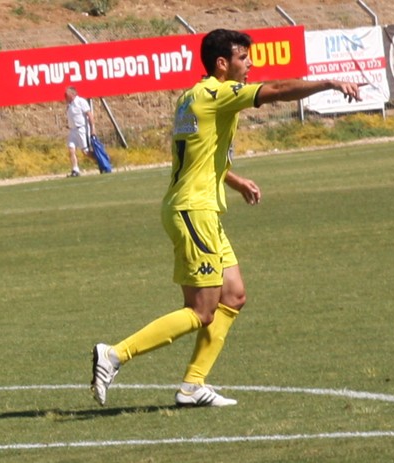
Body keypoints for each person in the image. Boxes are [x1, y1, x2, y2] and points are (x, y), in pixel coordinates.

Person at [90, 29, 363, 407]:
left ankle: (192, 386)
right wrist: (329, 83)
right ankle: (115, 354)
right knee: (201, 311)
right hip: (194, 211)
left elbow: (198, 155)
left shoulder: (191, 96)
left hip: (199, 207)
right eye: (243, 58)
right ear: (222, 63)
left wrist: (233, 181)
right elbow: (278, 90)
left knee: (233, 295)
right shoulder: (218, 93)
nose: (250, 64)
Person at [64, 86, 95, 177]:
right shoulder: (69, 104)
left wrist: (92, 129)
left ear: (72, 94)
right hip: (73, 130)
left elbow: (90, 115)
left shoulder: (81, 101)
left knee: (86, 152)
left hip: (82, 129)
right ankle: (75, 169)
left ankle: (101, 161)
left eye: (67, 94)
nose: (65, 96)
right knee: (71, 149)